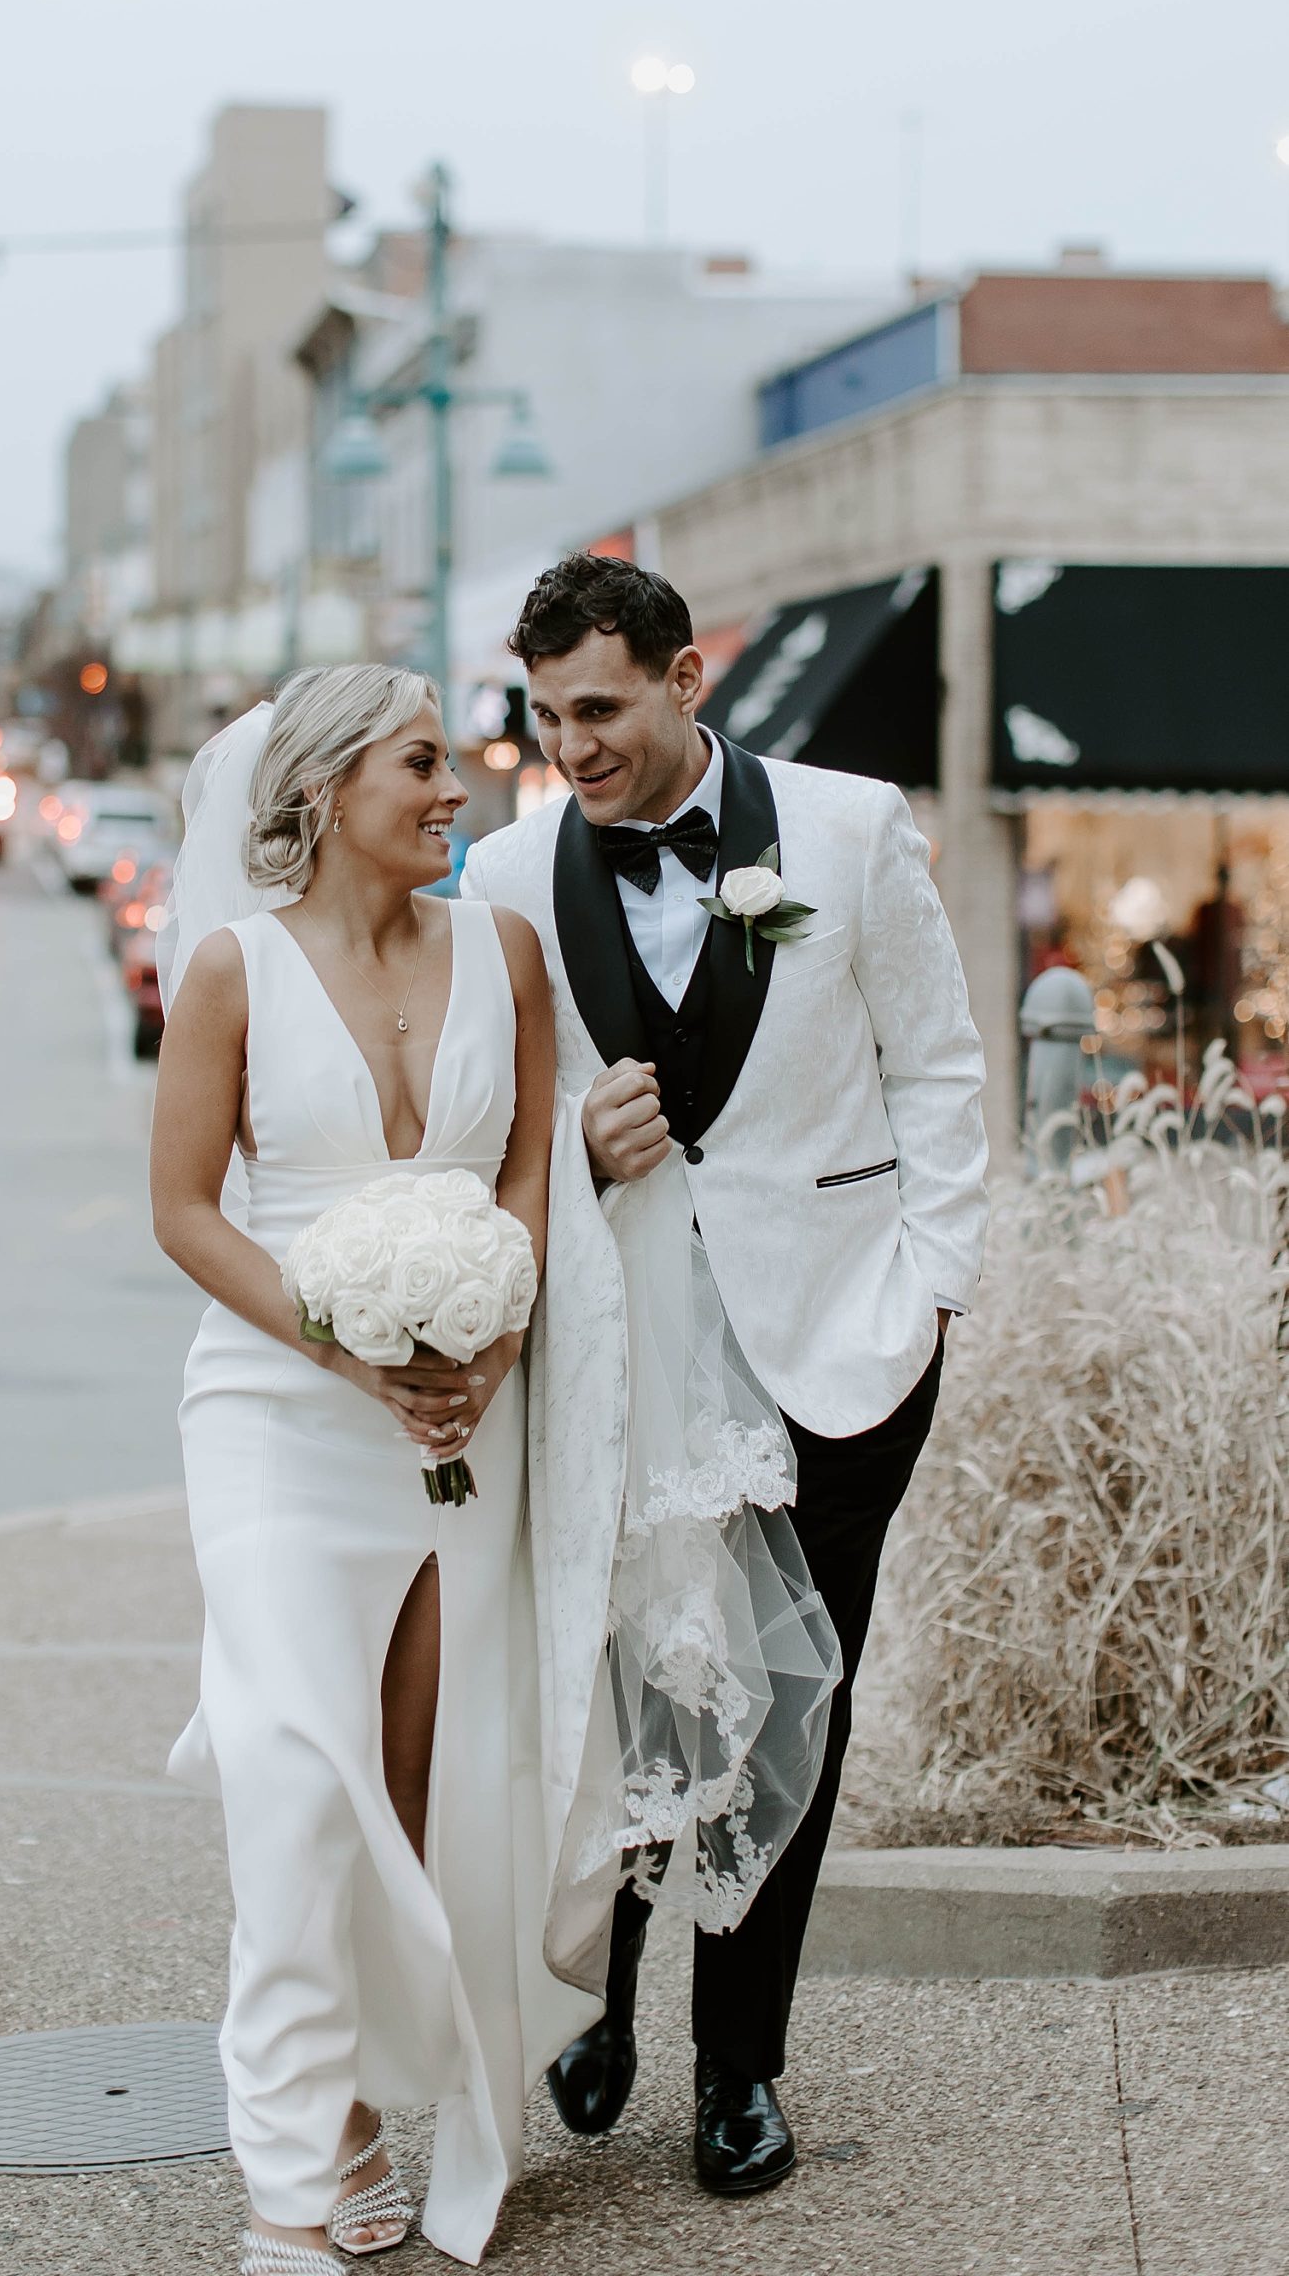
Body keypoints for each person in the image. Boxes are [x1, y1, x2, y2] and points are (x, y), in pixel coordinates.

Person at [461, 554, 989, 2199]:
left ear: (691, 679)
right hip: (621, 1360)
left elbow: (942, 1062)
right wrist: (568, 1152)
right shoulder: (506, 867)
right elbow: (486, 1121)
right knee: (623, 1679)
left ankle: (739, 2064)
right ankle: (598, 1997)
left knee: (790, 1718)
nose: (573, 749)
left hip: (840, 1343)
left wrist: (935, 1292)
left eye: (601, 709)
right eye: (546, 717)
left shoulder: (847, 826)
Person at [149, 665, 597, 2273]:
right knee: (290, 1775)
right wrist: (344, 1348)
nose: (459, 786)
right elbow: (187, 1209)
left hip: (467, 1423)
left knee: (427, 1786)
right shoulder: (233, 972)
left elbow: (531, 1164)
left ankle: (387, 2098)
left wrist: (493, 1337)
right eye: (424, 763)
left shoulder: (508, 954)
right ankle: (293, 2182)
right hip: (279, 1415)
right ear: (334, 787)